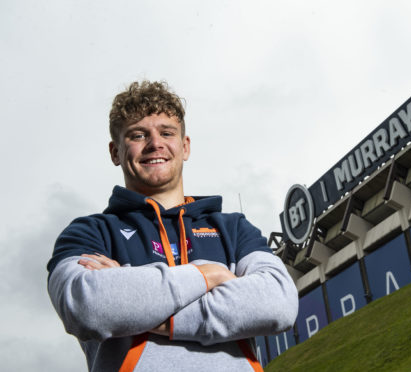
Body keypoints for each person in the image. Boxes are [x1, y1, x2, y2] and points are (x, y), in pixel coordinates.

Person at [47, 81, 299, 372]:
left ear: (185, 146)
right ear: (115, 152)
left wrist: (141, 303)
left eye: (167, 132)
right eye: (138, 135)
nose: (155, 143)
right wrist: (208, 274)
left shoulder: (233, 228)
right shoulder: (90, 233)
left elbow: (278, 302)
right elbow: (87, 307)